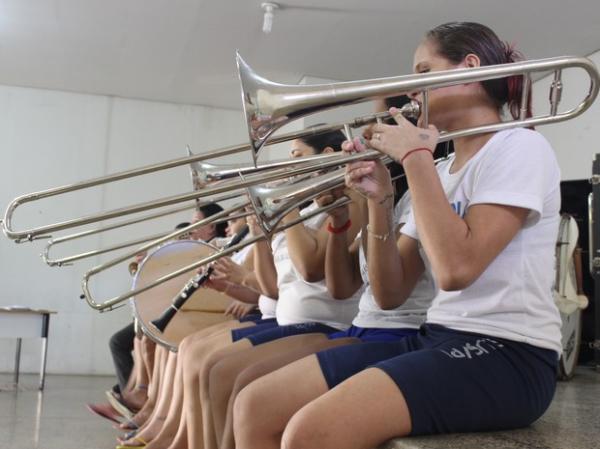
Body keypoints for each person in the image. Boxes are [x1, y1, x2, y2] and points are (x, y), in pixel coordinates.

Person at [234, 21, 562, 449]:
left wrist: (414, 158)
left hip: (510, 353)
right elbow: (390, 292)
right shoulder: (441, 171)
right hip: (437, 335)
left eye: (423, 73)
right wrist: (381, 202)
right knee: (256, 403)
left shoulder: (518, 146)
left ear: (469, 67)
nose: (412, 88)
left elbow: (456, 269)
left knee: (311, 433)